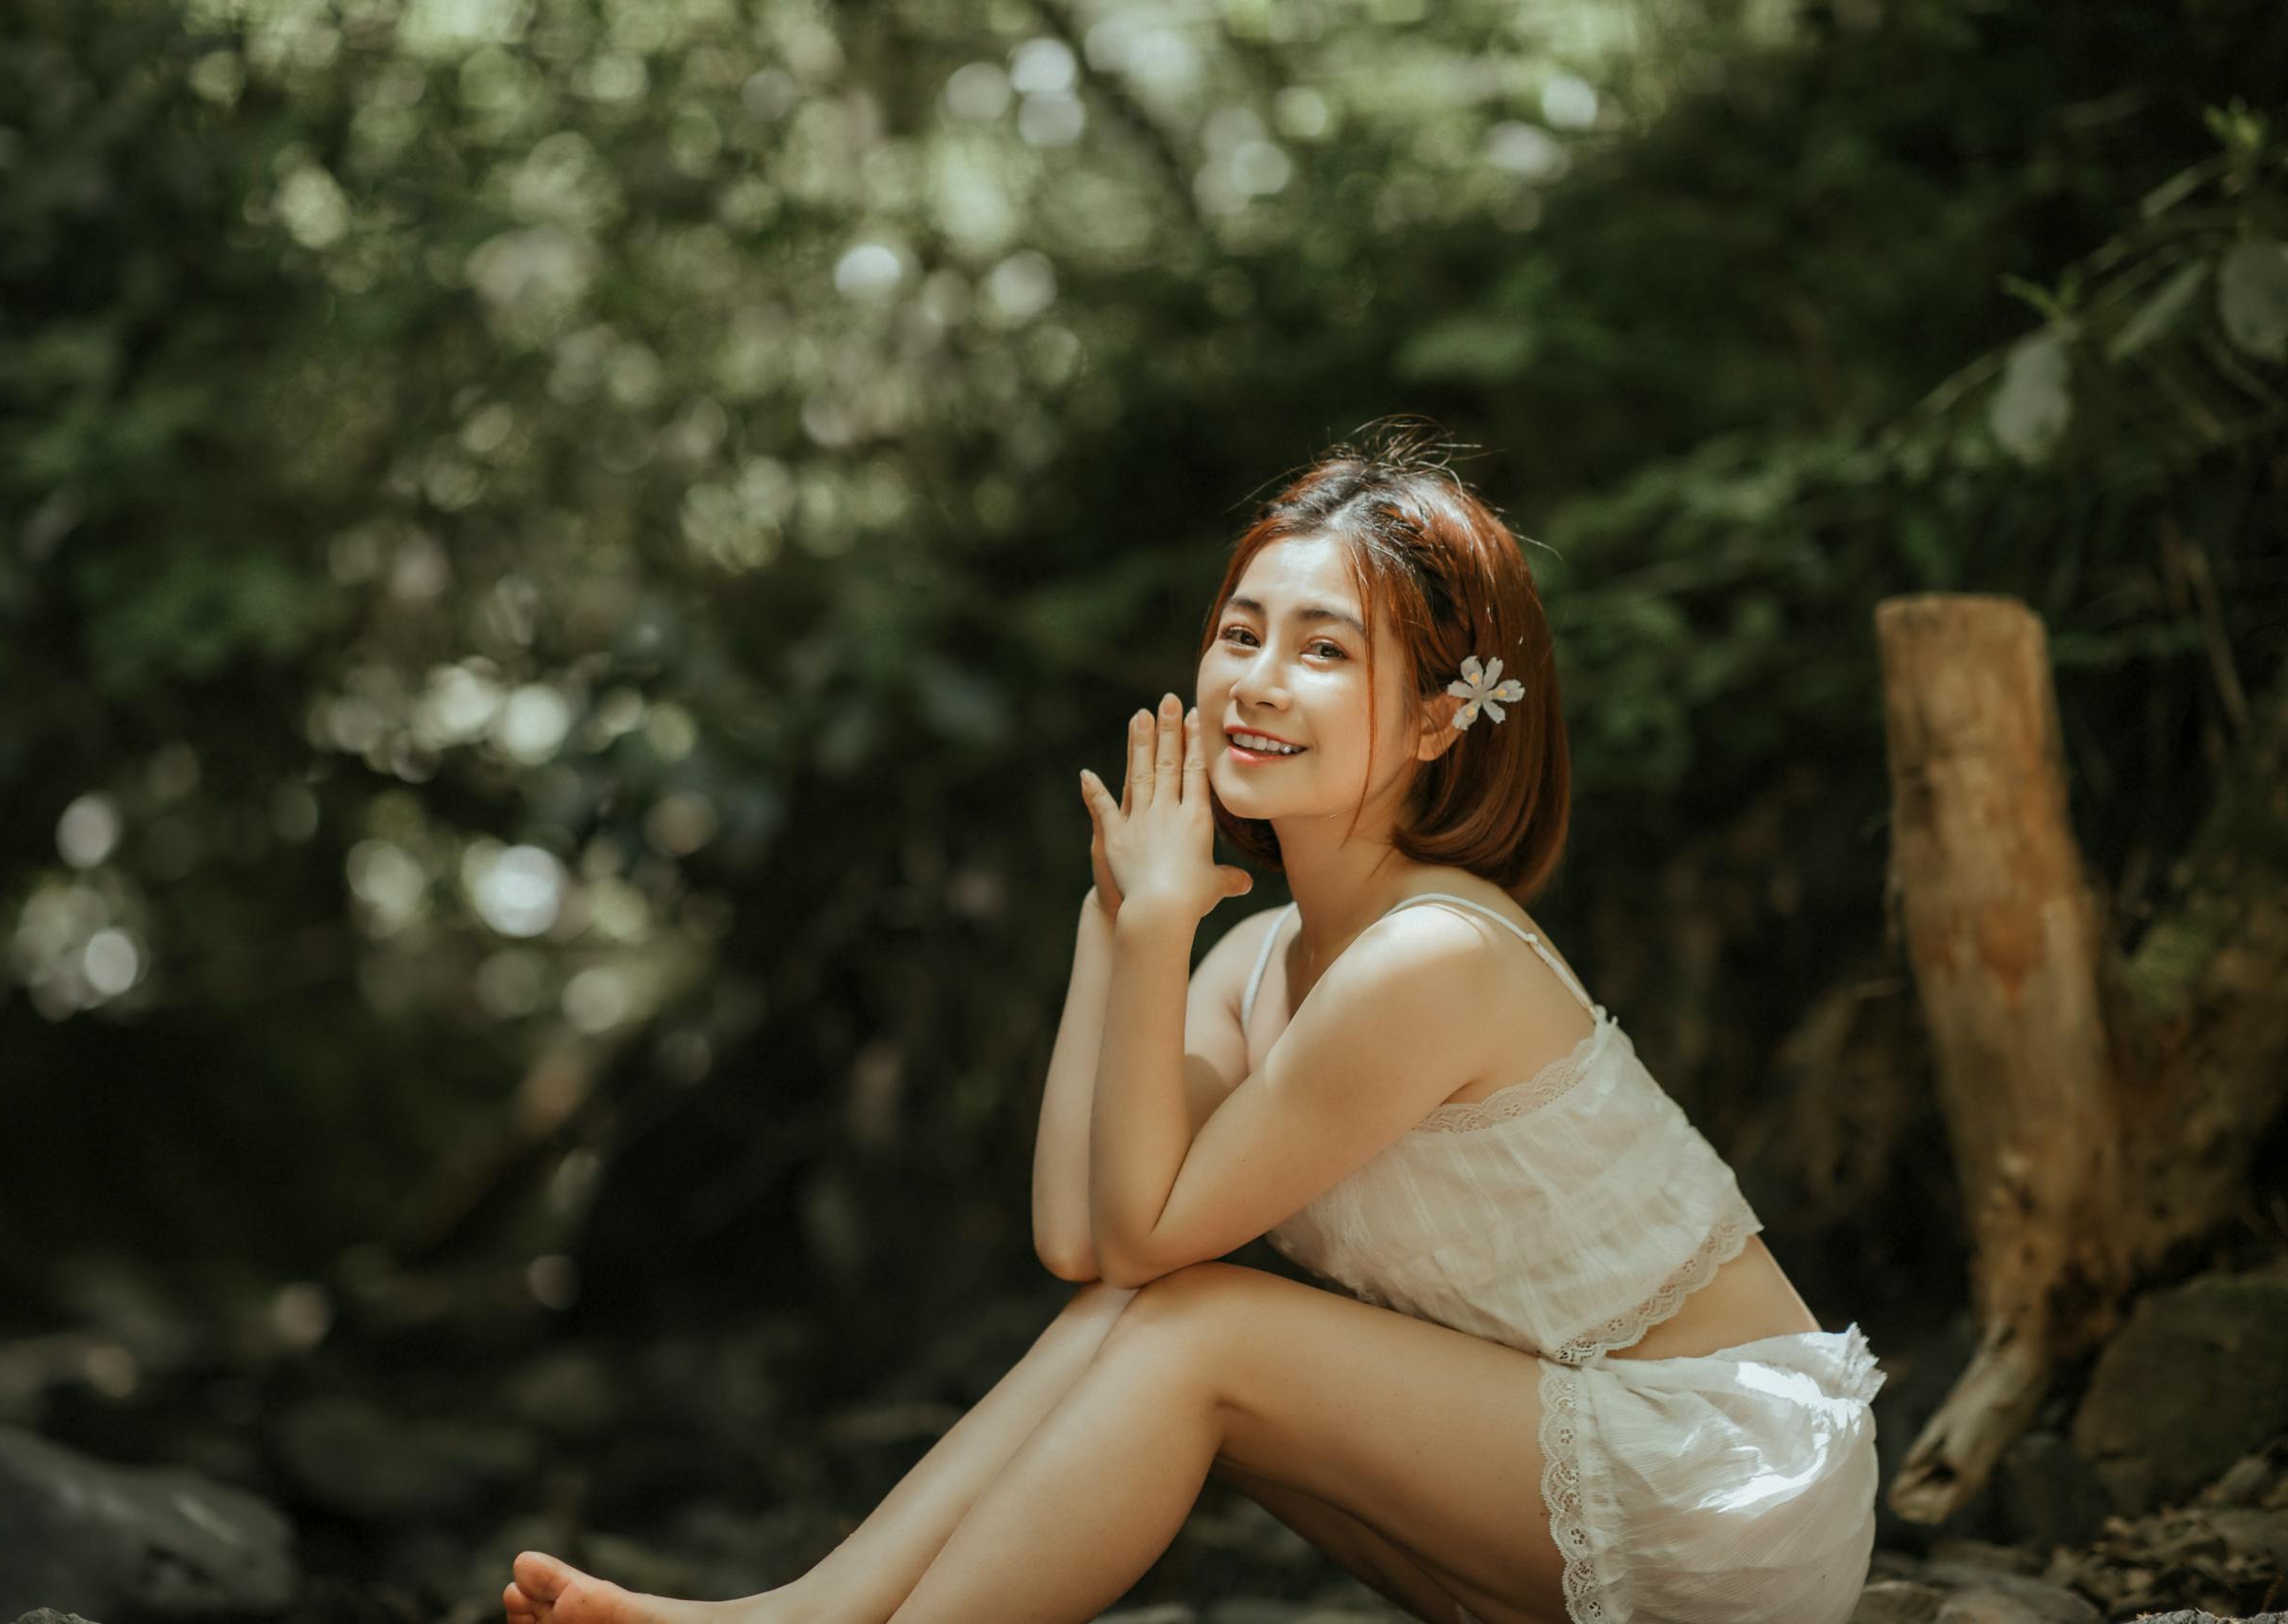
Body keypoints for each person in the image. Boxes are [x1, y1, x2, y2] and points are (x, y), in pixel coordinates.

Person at [504, 422, 1886, 1624]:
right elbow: (1090, 1244)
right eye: (1241, 633)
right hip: (1553, 1470)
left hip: (1720, 1485)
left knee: (1208, 1329)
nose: (1259, 679)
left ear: (1432, 725)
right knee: (1162, 1311)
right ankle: (808, 1613)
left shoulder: (1431, 955)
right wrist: (1118, 921)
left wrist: (1162, 927)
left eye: (1326, 649)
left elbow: (1157, 1244)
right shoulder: (1259, 954)